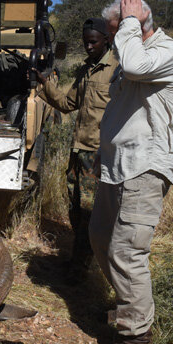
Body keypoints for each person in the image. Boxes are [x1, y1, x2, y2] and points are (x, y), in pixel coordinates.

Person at [84, 0, 173, 344]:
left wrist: (129, 21)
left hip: (146, 167)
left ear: (137, 23)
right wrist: (102, 150)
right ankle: (130, 309)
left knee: (128, 252)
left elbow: (134, 64)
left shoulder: (165, 52)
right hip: (118, 164)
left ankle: (136, 342)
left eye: (115, 29)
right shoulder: (130, 53)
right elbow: (119, 109)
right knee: (100, 238)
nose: (113, 38)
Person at [35, 18, 118, 279]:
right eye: (85, 42)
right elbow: (67, 103)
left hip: (98, 153)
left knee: (90, 213)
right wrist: (43, 83)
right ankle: (79, 259)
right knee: (75, 208)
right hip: (78, 150)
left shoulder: (119, 69)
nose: (89, 47)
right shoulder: (86, 70)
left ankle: (83, 267)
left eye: (93, 41)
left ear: (107, 39)